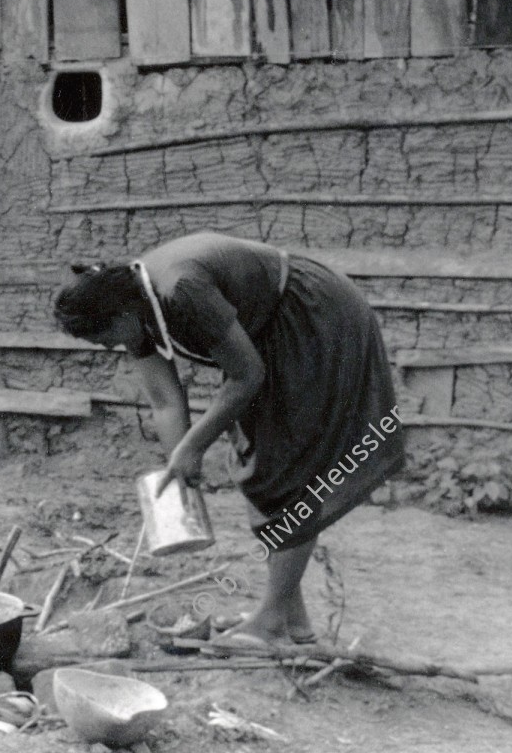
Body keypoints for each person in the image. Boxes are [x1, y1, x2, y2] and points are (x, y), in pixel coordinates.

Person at [52, 231, 403, 650]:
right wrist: (179, 472)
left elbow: (247, 376)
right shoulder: (136, 310)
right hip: (267, 336)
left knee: (290, 470)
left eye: (105, 336)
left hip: (314, 318)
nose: (110, 346)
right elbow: (165, 400)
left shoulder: (180, 291)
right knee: (260, 468)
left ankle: (270, 621)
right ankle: (294, 625)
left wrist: (193, 447)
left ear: (121, 311)